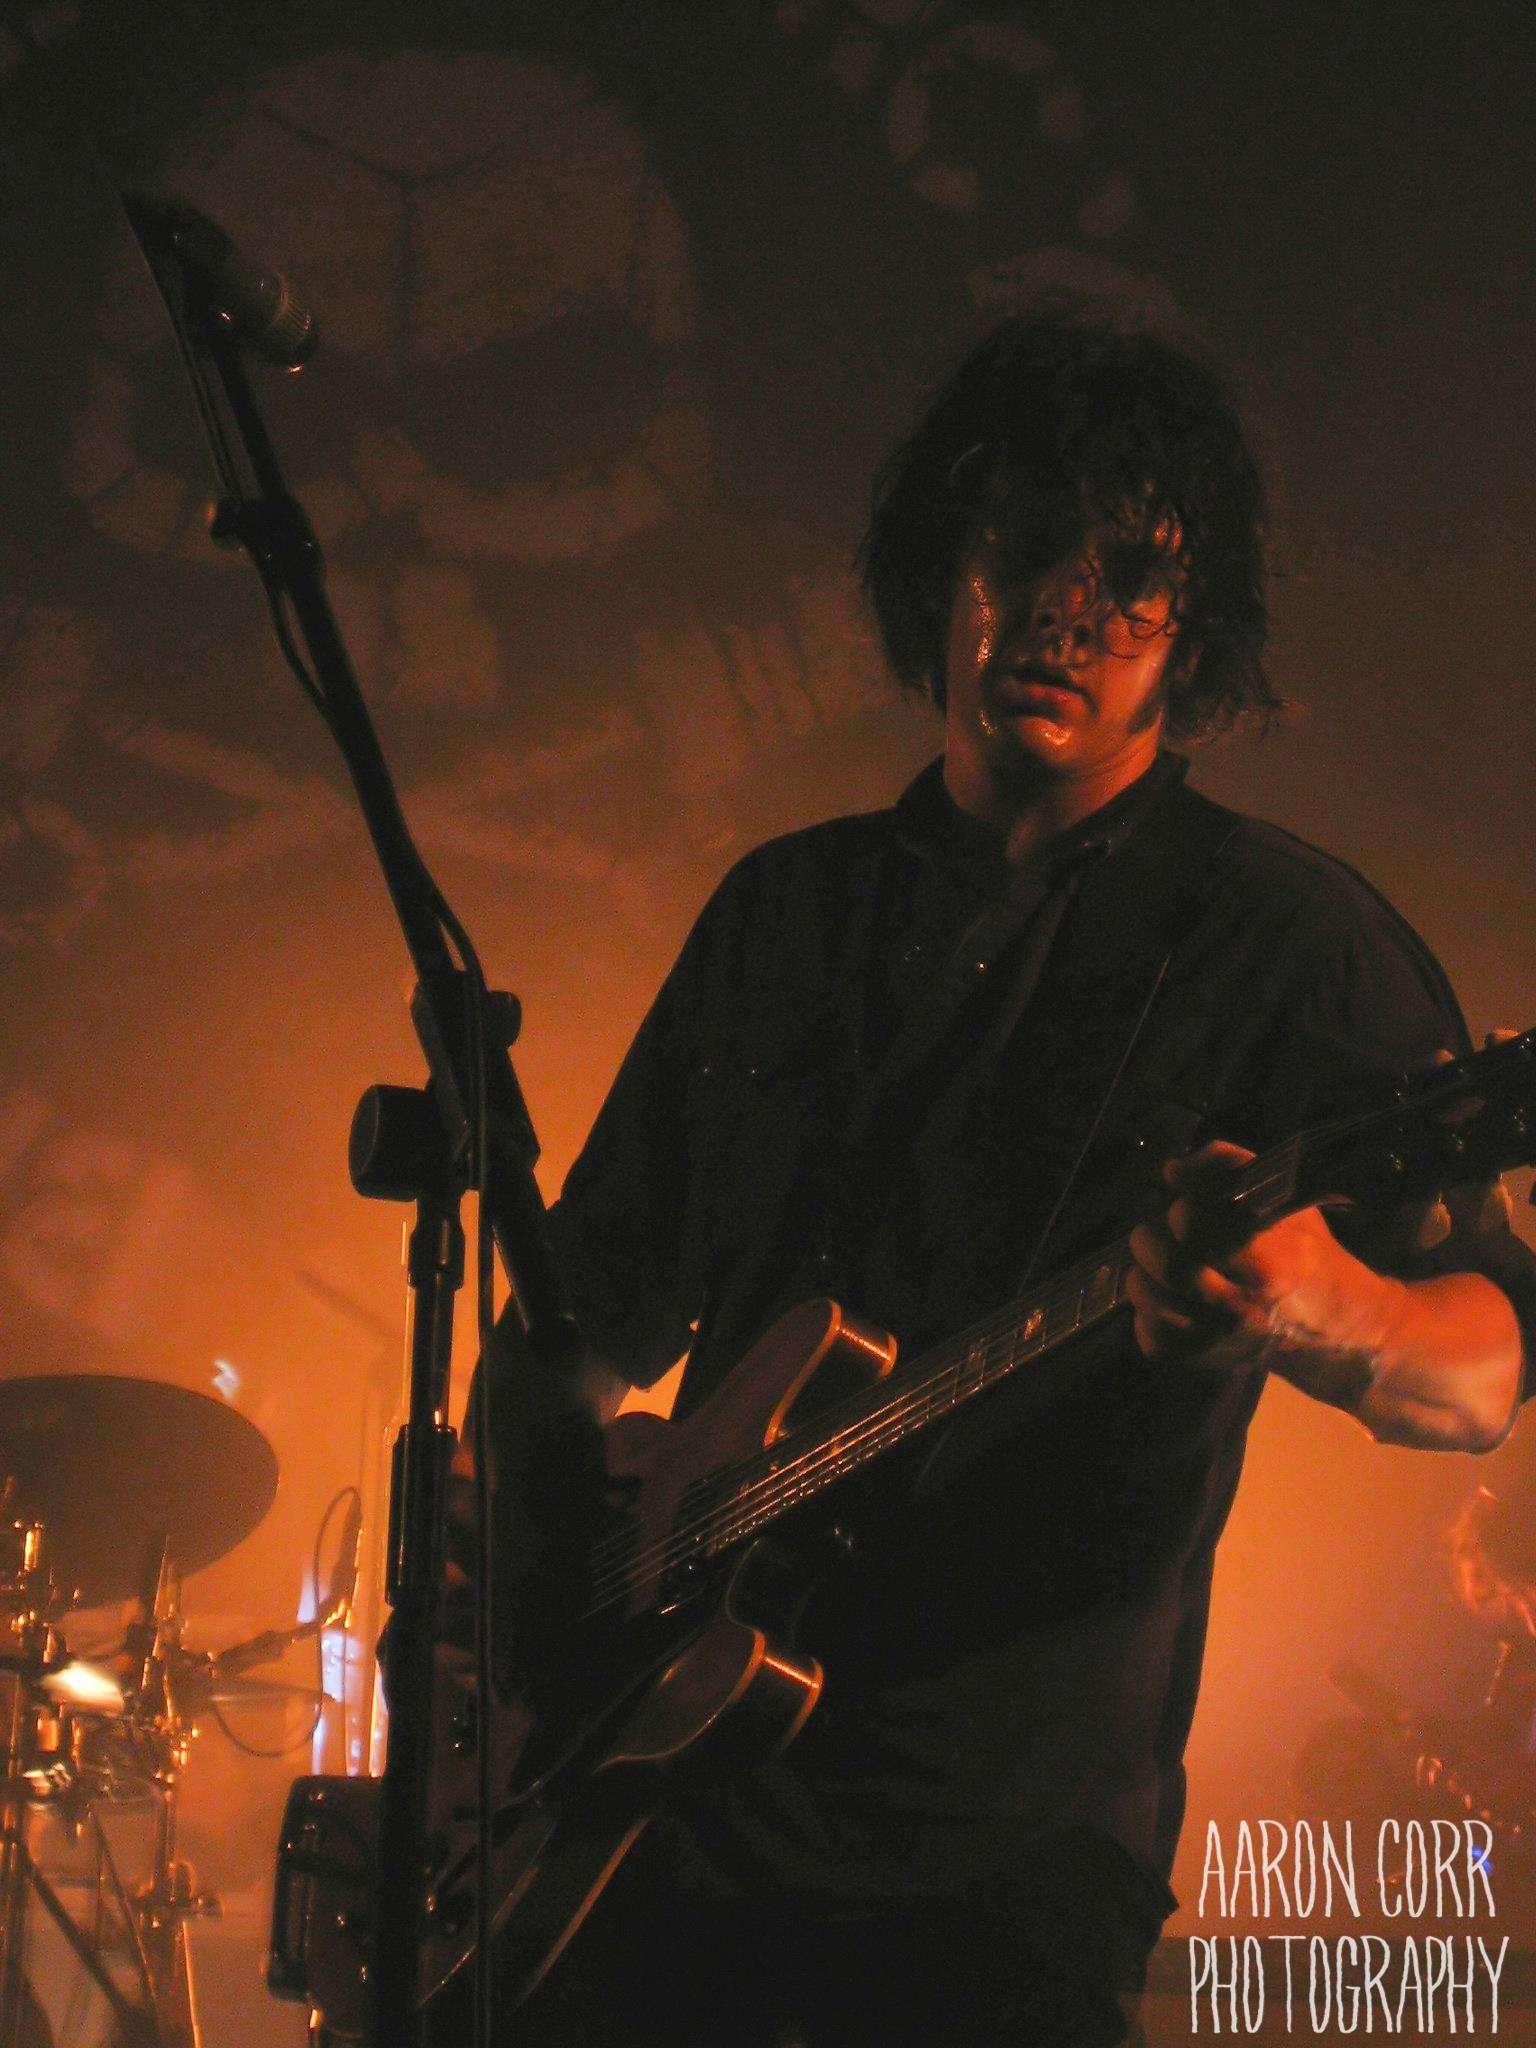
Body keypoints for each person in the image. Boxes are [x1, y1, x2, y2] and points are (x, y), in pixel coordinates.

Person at [473, 312, 1536, 2047]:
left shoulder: (1285, 942)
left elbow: (1486, 1371)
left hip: (997, 1871)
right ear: (940, 571)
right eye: (1025, 543)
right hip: (653, 1822)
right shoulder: (784, 916)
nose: (1066, 608)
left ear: (1194, 636)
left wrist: (1316, 1305)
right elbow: (566, 1340)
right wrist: (533, 1644)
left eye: (1132, 574)